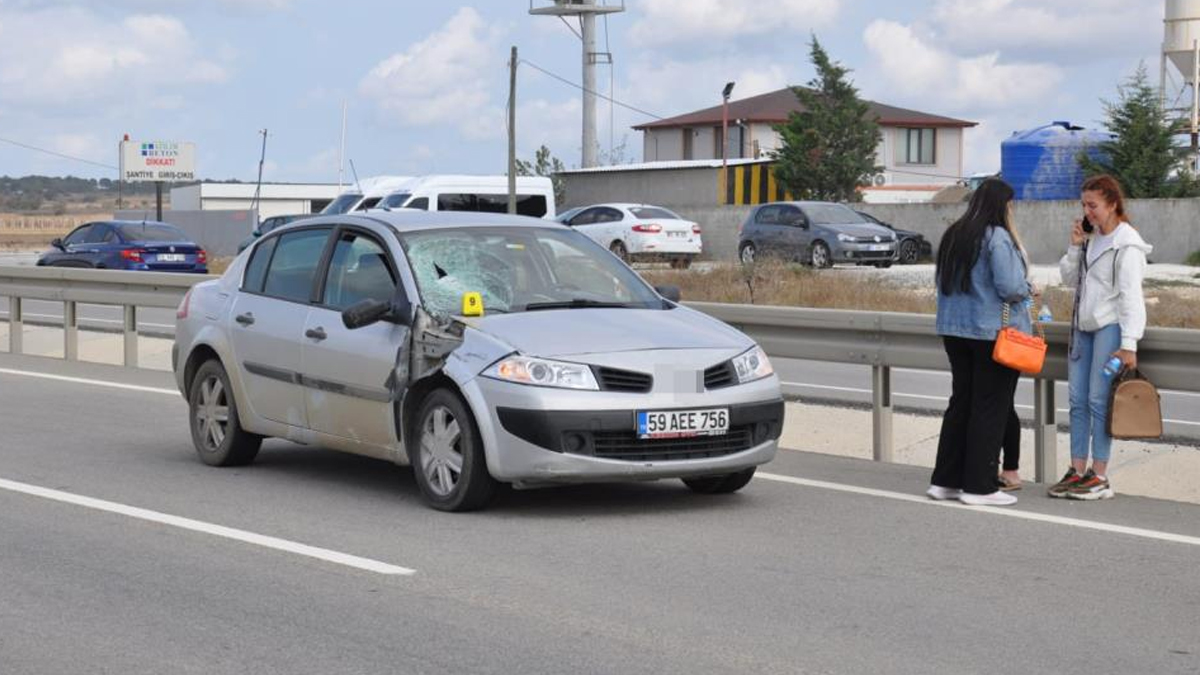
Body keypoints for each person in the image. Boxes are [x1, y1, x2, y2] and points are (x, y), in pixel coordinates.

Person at [927, 178, 1034, 506]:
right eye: (1010, 204)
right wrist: (1029, 288)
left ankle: (945, 482)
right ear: (1002, 205)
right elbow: (1011, 286)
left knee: (961, 403)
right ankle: (980, 486)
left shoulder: (955, 234)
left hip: (954, 331)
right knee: (990, 408)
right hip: (989, 333)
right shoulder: (997, 237)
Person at [1050, 174, 1151, 500]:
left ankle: (1100, 474)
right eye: (1084, 205)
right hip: (1083, 327)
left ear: (1112, 203)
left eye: (1092, 205)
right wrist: (1075, 245)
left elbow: (1130, 297)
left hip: (1109, 328)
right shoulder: (1092, 240)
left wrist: (1129, 344)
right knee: (1077, 400)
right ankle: (1077, 469)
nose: (1087, 211)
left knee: (1097, 401)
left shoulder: (1127, 244)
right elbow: (1069, 278)